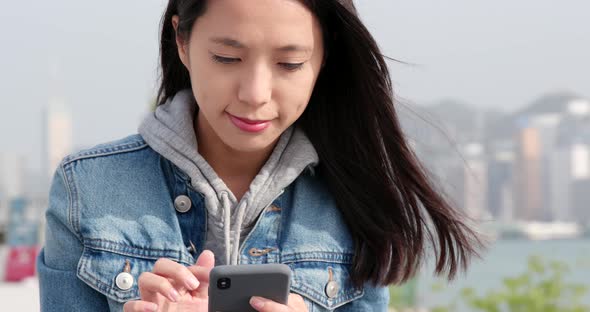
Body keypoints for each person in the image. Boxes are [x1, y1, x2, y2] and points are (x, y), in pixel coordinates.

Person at [37, 0, 483, 311]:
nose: (255, 95)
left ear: (324, 58)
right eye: (227, 57)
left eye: (289, 65)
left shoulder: (354, 197)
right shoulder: (88, 190)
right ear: (183, 42)